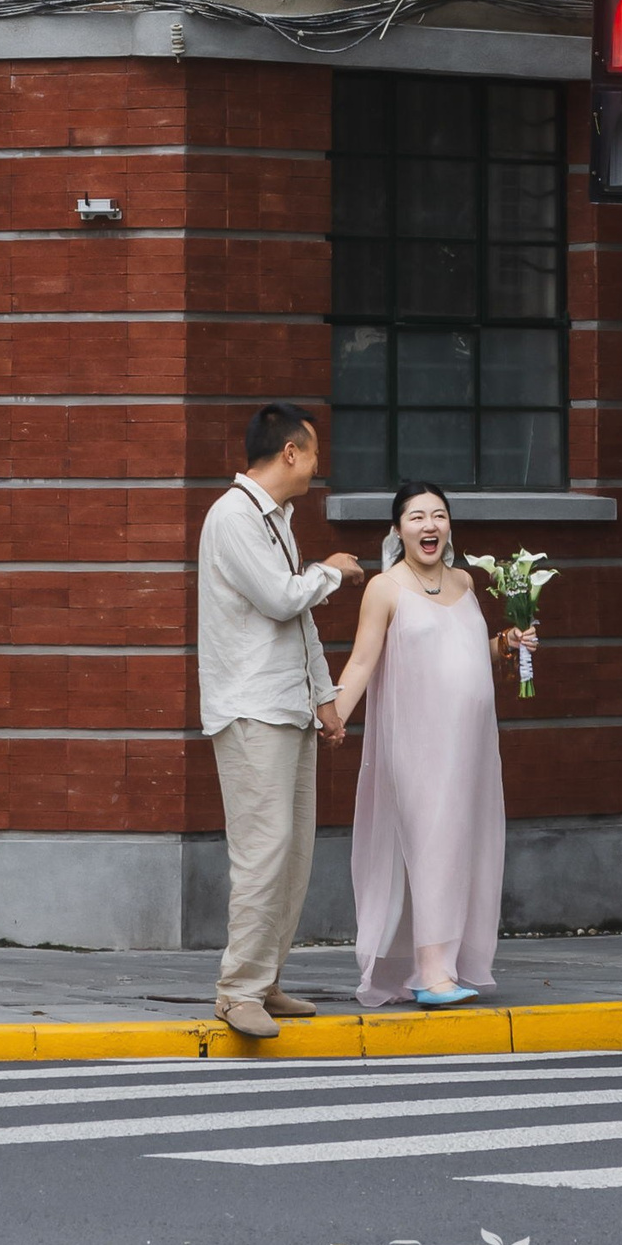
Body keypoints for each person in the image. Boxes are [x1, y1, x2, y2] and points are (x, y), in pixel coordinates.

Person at [329, 480, 534, 1011]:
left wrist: (507, 642)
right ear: (398, 529)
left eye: (439, 516)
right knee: (430, 843)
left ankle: (447, 965)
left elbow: (470, 650)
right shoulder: (386, 588)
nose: (430, 526)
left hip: (470, 746)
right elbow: (361, 662)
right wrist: (331, 717)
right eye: (417, 517)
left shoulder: (466, 582)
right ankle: (430, 972)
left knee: (463, 845)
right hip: (416, 744)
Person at [195, 403, 363, 1041]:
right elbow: (283, 597)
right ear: (289, 452)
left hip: (286, 706)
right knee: (263, 853)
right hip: (250, 709)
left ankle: (264, 979)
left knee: (293, 854)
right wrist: (335, 571)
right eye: (314, 453)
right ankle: (237, 991)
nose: (319, 467)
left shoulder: (277, 520)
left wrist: (324, 696)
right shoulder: (234, 516)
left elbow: (297, 621)